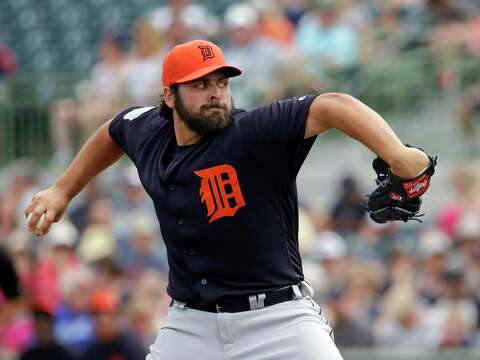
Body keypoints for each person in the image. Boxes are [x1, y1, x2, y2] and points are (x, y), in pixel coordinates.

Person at [25, 39, 432, 359]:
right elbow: (112, 131)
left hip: (278, 319)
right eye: (200, 84)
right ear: (169, 96)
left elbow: (332, 106)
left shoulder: (253, 133)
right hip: (191, 325)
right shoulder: (147, 131)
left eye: (221, 82)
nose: (216, 93)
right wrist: (62, 189)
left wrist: (398, 155)